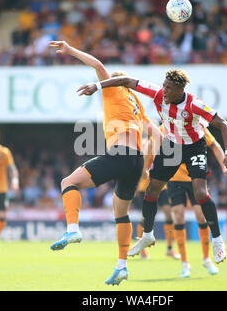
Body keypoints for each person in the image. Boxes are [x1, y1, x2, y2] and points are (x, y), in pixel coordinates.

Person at [77, 68, 227, 265]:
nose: (164, 90)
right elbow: (126, 80)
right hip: (171, 146)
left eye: (169, 88)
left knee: (201, 193)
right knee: (152, 189)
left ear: (180, 89)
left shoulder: (194, 104)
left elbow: (223, 124)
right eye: (164, 86)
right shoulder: (159, 94)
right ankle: (148, 235)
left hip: (194, 147)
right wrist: (97, 86)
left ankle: (218, 240)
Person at [48, 41, 160, 286]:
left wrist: (70, 50)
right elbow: (158, 136)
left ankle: (73, 228)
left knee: (69, 182)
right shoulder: (138, 104)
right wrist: (151, 164)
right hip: (137, 161)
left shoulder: (113, 90)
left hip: (119, 153)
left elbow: (98, 64)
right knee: (121, 213)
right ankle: (122, 267)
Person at [167, 126, 227, 277]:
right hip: (174, 179)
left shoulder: (196, 126)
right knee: (178, 217)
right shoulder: (165, 126)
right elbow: (153, 144)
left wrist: (223, 167)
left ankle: (206, 258)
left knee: (201, 216)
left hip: (195, 178)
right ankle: (184, 262)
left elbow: (215, 146)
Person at [134, 135, 180, 261]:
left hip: (162, 186)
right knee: (145, 217)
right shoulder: (145, 144)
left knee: (169, 215)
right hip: (146, 187)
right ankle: (142, 248)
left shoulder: (164, 143)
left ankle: (170, 248)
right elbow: (140, 165)